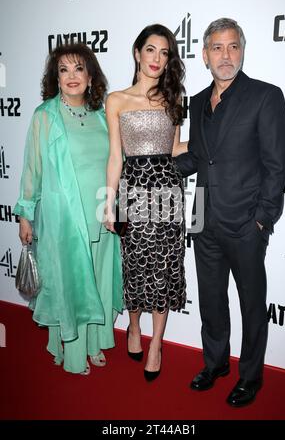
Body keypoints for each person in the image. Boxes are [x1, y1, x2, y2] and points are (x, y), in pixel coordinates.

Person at [176, 18, 285, 406]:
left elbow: (277, 165)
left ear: (242, 50)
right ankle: (216, 363)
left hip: (246, 222)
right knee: (210, 299)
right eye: (217, 48)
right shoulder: (195, 102)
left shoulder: (265, 95)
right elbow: (197, 158)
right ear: (205, 54)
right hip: (203, 216)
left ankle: (251, 377)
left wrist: (263, 218)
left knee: (251, 303)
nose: (226, 56)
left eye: (233, 47)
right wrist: (152, 168)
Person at [14, 43, 123, 375]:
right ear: (55, 78)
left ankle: (95, 342)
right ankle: (74, 353)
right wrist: (24, 213)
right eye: (64, 70)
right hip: (63, 220)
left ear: (90, 76)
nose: (72, 76)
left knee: (100, 280)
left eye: (79, 69)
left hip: (102, 214)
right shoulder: (44, 116)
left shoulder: (104, 115)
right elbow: (32, 168)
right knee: (72, 284)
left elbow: (116, 163)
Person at [104, 24, 187, 381]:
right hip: (132, 193)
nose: (156, 59)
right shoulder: (117, 100)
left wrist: (214, 145)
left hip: (168, 193)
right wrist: (110, 204)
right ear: (137, 53)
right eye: (150, 50)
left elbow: (173, 151)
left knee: (164, 269)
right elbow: (115, 157)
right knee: (136, 266)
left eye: (164, 52)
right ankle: (134, 328)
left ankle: (156, 344)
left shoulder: (174, 99)